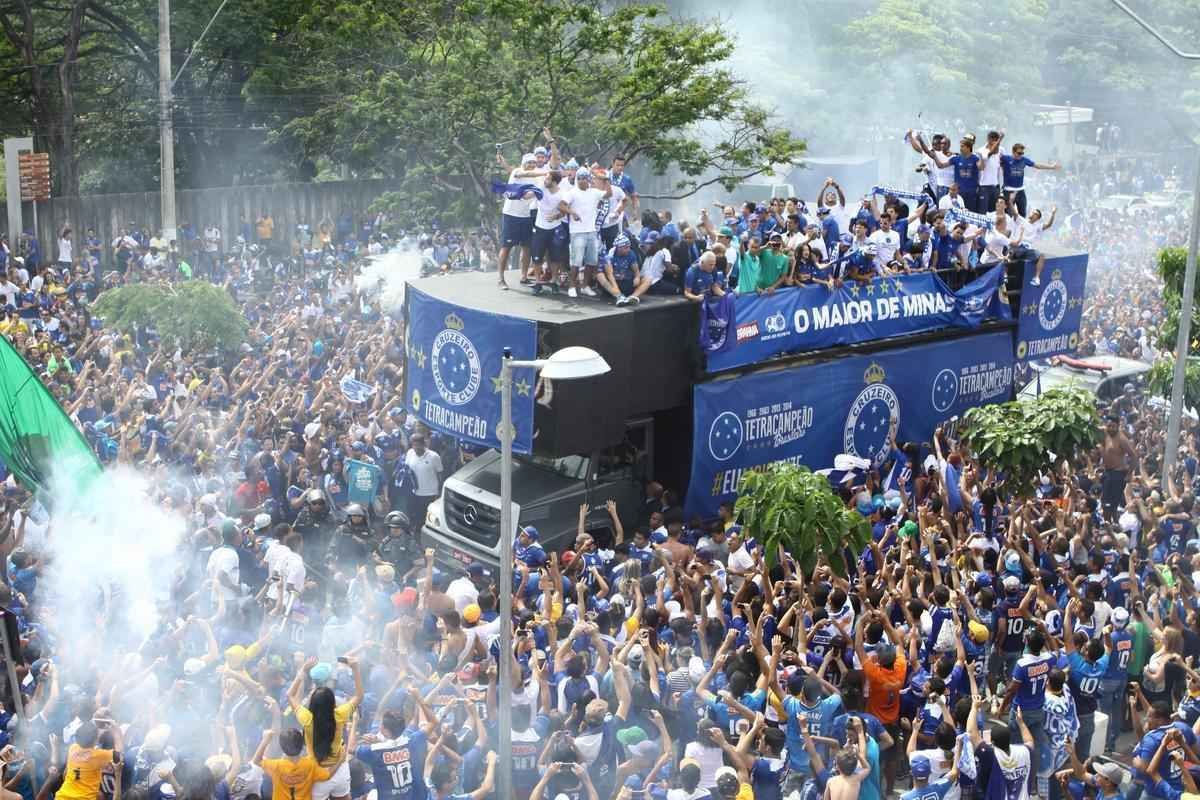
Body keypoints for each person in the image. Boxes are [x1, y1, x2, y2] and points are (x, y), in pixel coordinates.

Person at [559, 168, 607, 298]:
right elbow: (561, 205)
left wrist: (605, 180)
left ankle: (585, 286)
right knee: (576, 261)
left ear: (588, 179)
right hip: (577, 231)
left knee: (591, 261)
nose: (581, 180)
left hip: (591, 231)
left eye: (584, 178)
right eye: (579, 178)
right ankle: (572, 286)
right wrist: (572, 212)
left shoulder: (594, 192)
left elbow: (608, 194)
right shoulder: (572, 193)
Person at [597, 234, 651, 306]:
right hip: (614, 284)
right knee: (600, 275)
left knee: (648, 279)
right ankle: (619, 297)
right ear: (618, 248)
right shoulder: (609, 256)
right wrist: (616, 291)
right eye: (625, 248)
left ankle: (633, 297)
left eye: (629, 247)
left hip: (627, 282)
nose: (628, 249)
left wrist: (637, 277)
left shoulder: (631, 253)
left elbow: (636, 271)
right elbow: (610, 275)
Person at [404, 433, 443, 530]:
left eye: (418, 445)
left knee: (426, 518)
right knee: (414, 515)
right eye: (413, 445)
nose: (416, 448)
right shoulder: (410, 453)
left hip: (429, 493)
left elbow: (440, 474)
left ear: (423, 444)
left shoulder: (434, 456)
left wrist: (439, 492)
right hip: (414, 492)